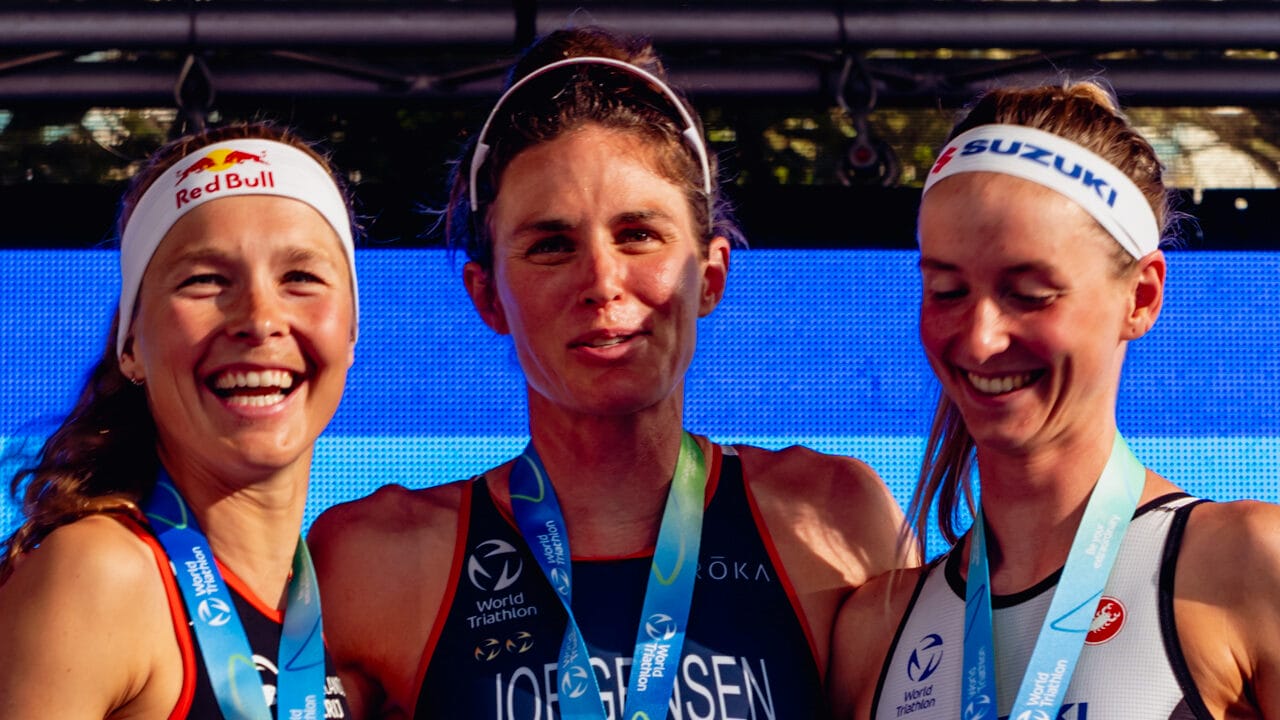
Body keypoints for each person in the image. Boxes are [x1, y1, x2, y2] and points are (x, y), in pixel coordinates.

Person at [308, 25, 910, 719]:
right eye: (551, 245)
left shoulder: (835, 519)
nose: (602, 280)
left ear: (710, 276)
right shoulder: (373, 560)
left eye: (639, 235)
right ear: (486, 296)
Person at [828, 82, 1280, 720]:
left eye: (1030, 293)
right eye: (948, 290)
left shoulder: (1248, 568)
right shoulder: (875, 629)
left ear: (1141, 297)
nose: (981, 340)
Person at [0, 123, 358, 718]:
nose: (260, 319)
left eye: (301, 278)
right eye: (205, 281)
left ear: (350, 332)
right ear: (131, 345)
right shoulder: (97, 577)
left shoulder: (339, 609)